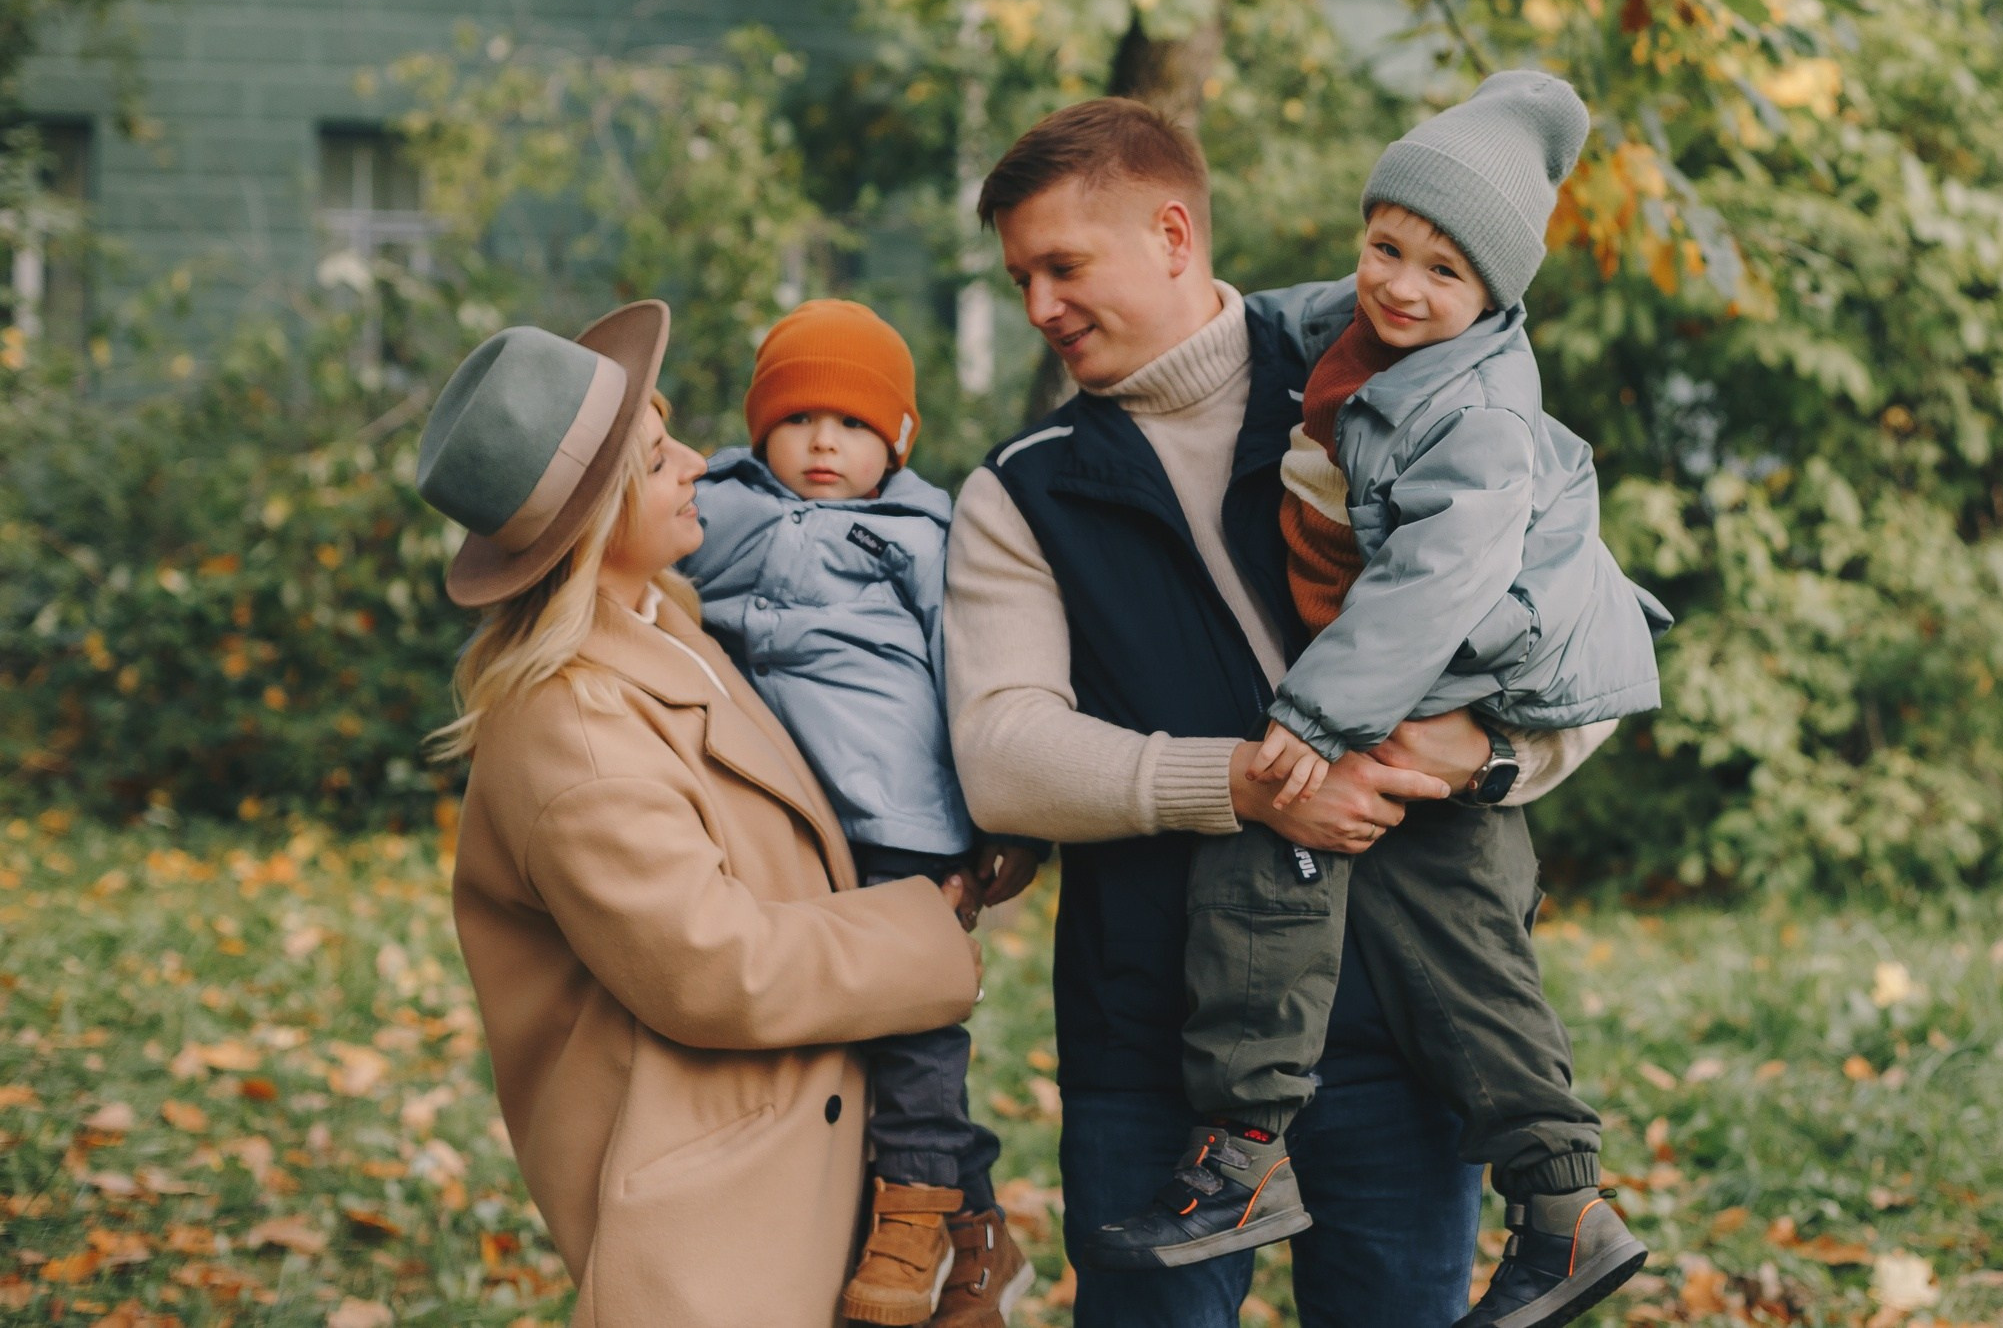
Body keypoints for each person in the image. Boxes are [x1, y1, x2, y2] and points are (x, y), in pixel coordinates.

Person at [943, 99, 1613, 1328]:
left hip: (1403, 1023)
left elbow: (1579, 638)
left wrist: (1486, 755)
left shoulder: (1405, 375)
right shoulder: (1023, 490)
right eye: (1021, 277)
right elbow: (1002, 755)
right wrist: (1238, 782)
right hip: (1158, 1036)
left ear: (1172, 232)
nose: (1037, 305)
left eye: (1062, 267)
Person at [417, 300, 982, 1328]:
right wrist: (922, 931)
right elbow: (710, 965)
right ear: (592, 517)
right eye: (656, 454)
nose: (696, 463)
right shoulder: (572, 726)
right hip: (712, 1225)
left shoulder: (677, 626)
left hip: (805, 1163)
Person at [681, 297, 1036, 1326]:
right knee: (821, 1036)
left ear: (899, 442)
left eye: (852, 424)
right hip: (780, 821)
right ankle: (978, 1236)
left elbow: (973, 676)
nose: (823, 442)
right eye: (796, 421)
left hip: (902, 825)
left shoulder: (926, 536)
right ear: (759, 433)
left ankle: (916, 1213)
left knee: (912, 1032)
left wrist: (998, 825)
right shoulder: (718, 504)